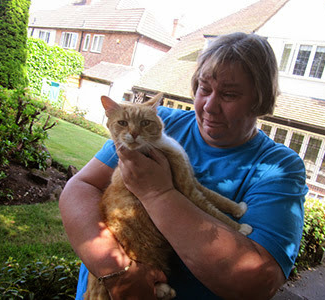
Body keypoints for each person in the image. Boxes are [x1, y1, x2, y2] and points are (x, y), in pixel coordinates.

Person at [59, 32, 308, 299]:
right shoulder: (154, 123)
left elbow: (259, 282)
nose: (210, 106)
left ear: (259, 100)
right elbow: (80, 188)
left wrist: (158, 194)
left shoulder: (279, 167)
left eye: (229, 94)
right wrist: (118, 272)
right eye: (204, 88)